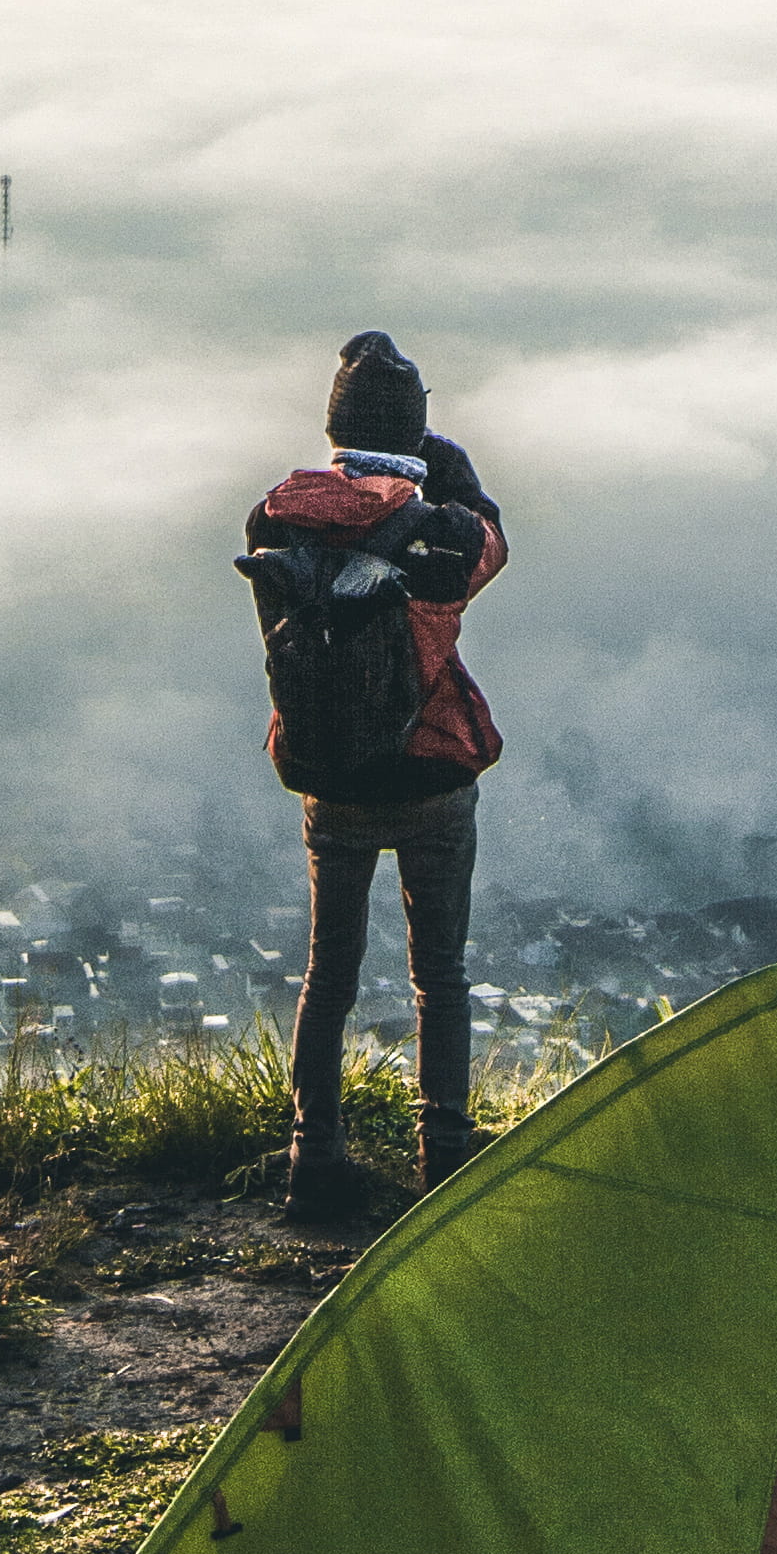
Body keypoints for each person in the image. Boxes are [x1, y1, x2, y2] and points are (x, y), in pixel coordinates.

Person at [249, 326, 505, 1228]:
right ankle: (445, 1150)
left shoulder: (273, 521)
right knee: (439, 972)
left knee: (331, 974)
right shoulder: (442, 530)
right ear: (417, 434)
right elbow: (491, 545)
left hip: (329, 781)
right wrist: (447, 468)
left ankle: (312, 1156)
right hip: (433, 776)